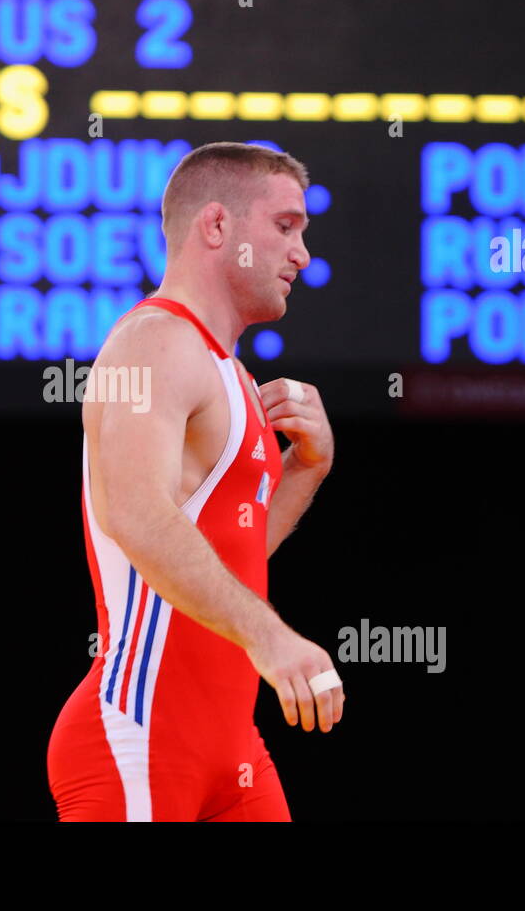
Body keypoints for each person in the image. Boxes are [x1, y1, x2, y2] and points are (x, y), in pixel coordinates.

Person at [47, 141, 344, 821]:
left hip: (231, 747)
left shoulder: (229, 372)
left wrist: (305, 470)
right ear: (217, 228)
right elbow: (134, 515)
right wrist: (273, 640)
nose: (302, 254)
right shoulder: (149, 342)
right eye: (286, 226)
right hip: (140, 737)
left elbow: (213, 562)